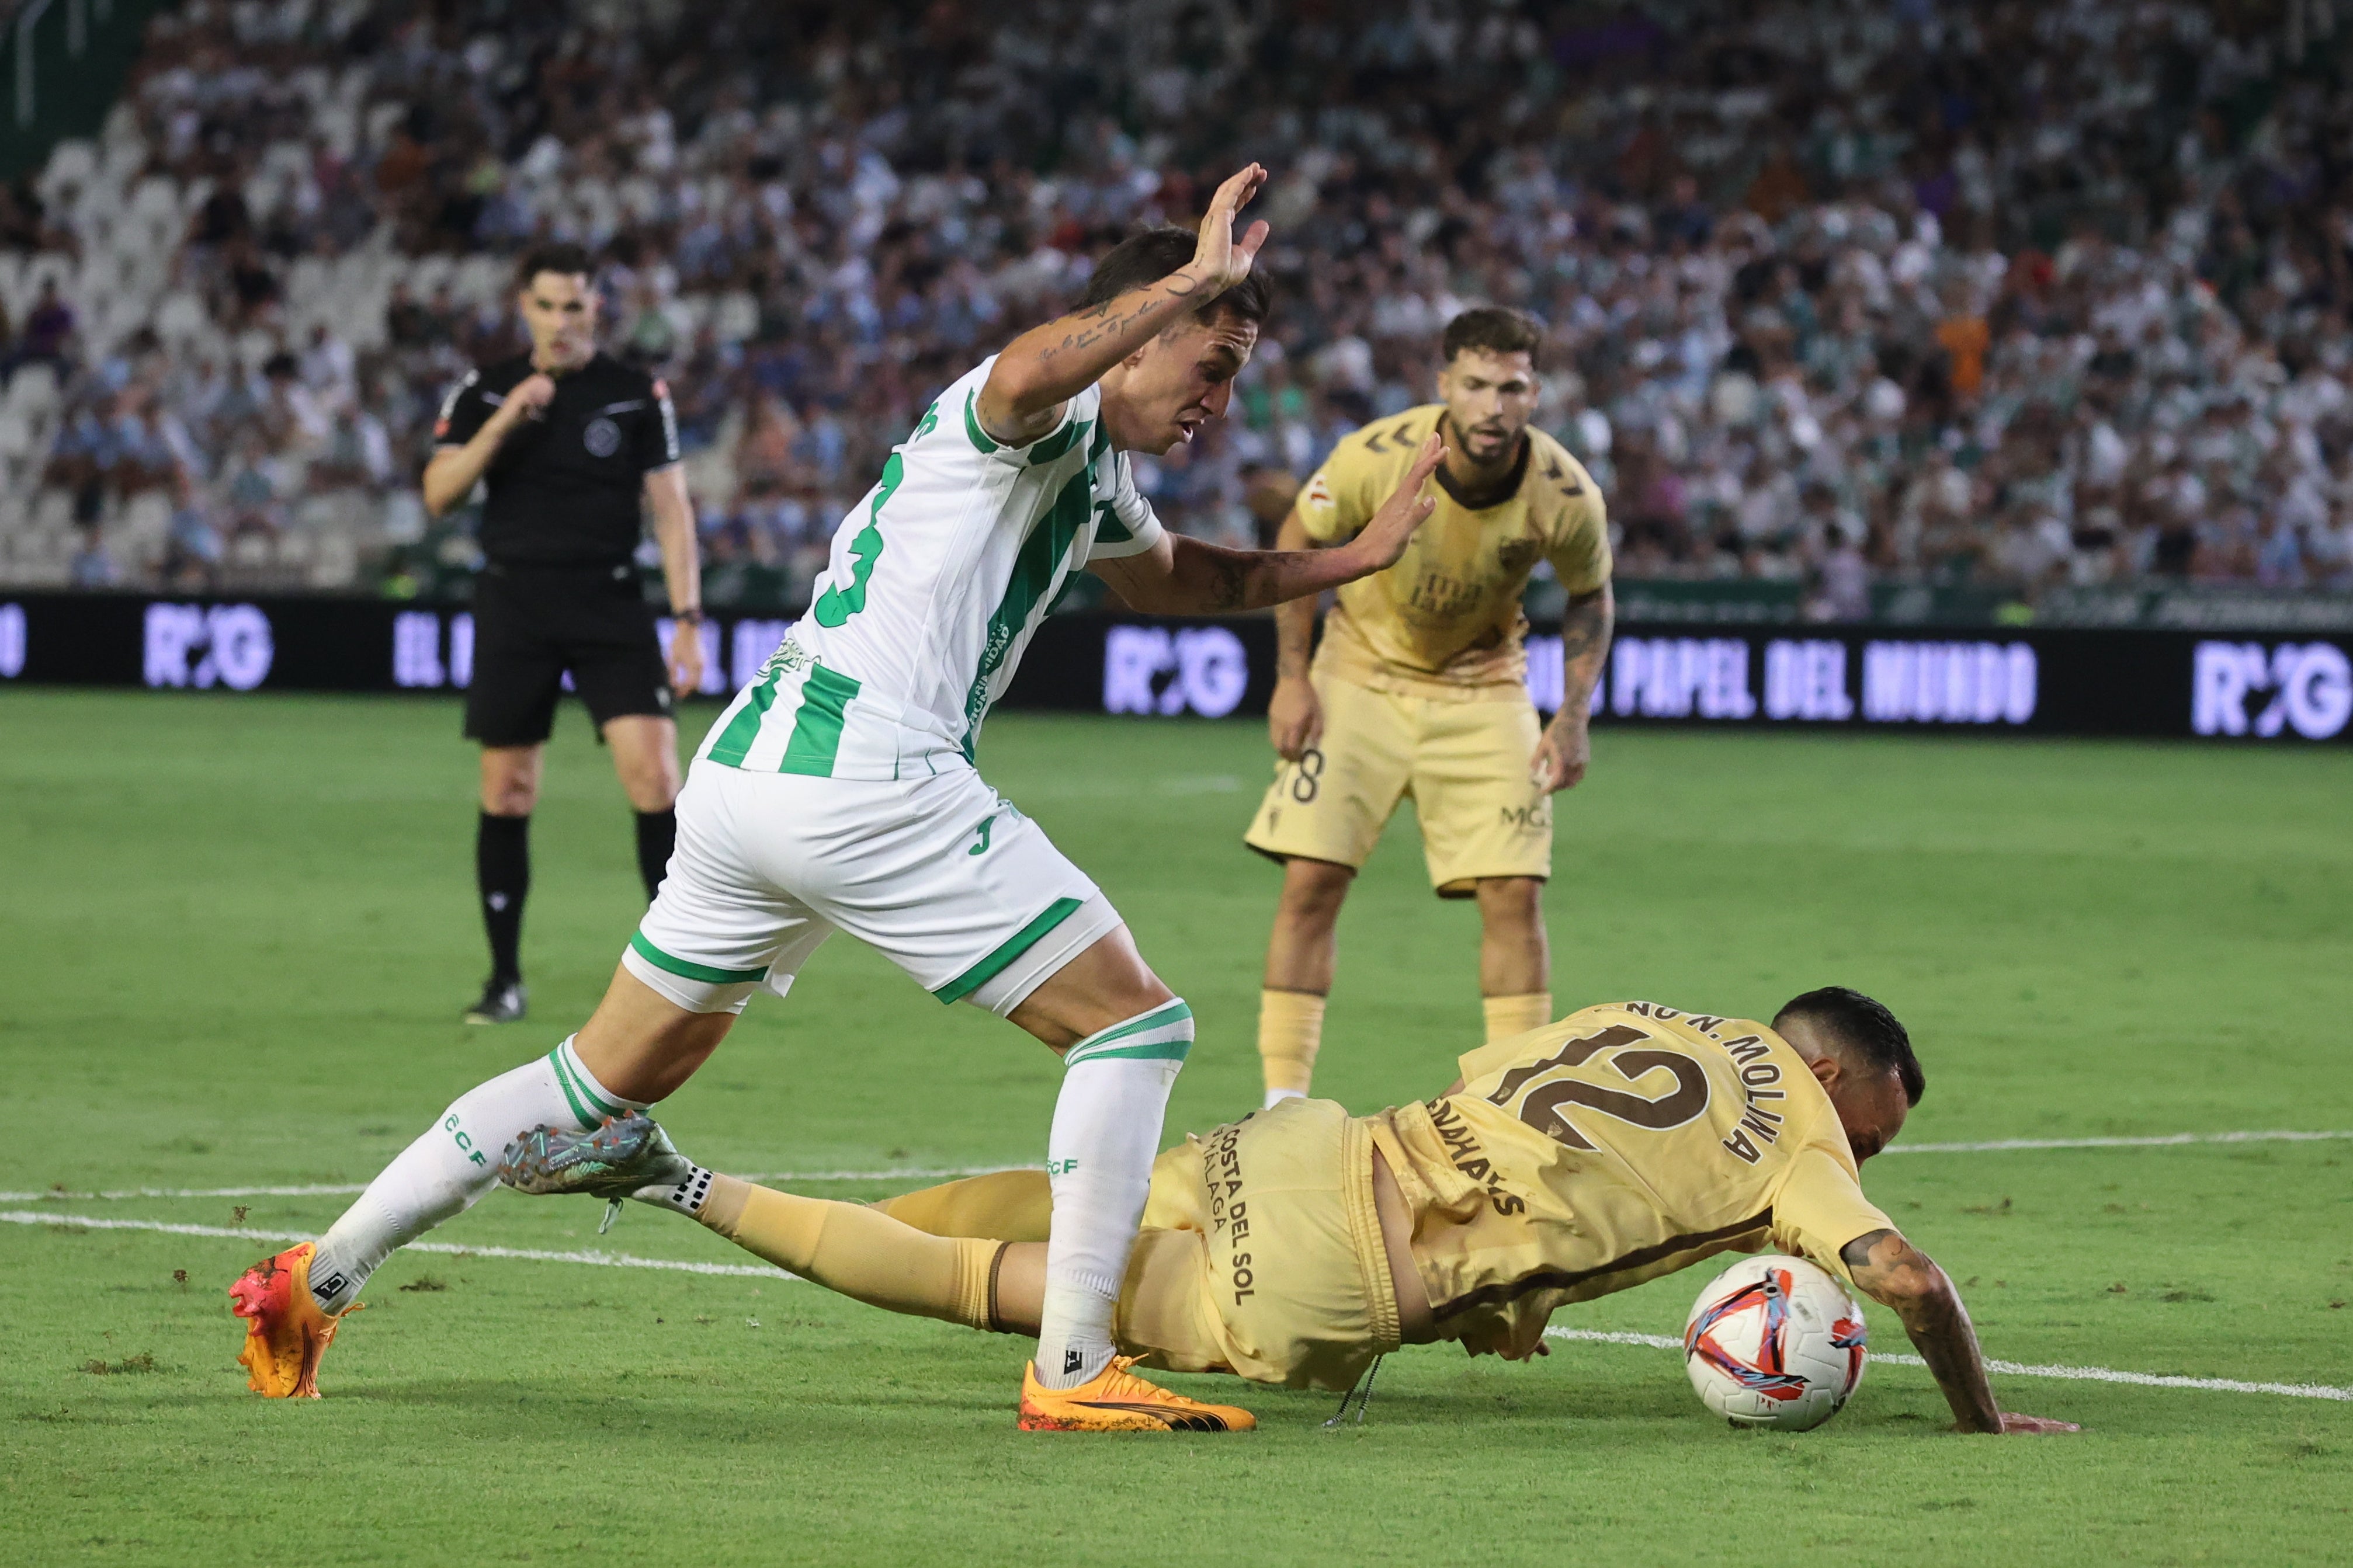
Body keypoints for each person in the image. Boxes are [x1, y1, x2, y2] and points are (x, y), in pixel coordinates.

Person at [229, 166, 1449, 1431]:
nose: (1221, 396)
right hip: (868, 771)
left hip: (754, 771)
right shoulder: (1023, 408)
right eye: (1211, 355)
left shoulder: (1088, 467)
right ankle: (1074, 1363)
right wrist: (1193, 281)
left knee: (599, 1081)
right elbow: (1027, 371)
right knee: (1133, 1027)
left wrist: (1349, 558)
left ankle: (312, 1281)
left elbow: (1181, 578)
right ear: (1140, 321)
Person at [498, 988, 2077, 1437]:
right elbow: (1910, 1275)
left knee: (1053, 1197)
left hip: (1310, 1143)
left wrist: (1517, 1281)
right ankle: (675, 1177)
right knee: (1011, 1283)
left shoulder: (1648, 1009)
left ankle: (654, 1152)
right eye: (1872, 1121)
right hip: (1332, 1282)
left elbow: (1527, 1111)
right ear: (1827, 1068)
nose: (1860, 1159)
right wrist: (1979, 1412)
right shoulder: (1800, 1146)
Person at [1244, 308, 1614, 1107]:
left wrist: (1573, 713)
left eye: (1511, 387)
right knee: (1311, 880)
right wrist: (1292, 676)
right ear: (1444, 384)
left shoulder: (1565, 491)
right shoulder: (1375, 458)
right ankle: (1283, 1105)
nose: (1492, 406)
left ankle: (1514, 1105)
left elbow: (1591, 596)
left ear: (1535, 393)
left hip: (1484, 688)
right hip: (1358, 674)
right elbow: (1296, 538)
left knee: (1515, 893)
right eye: (1475, 385)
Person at [422, 242, 706, 1026]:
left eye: (574, 306)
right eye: (546, 306)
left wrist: (687, 620)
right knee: (508, 788)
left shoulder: (634, 393)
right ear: (525, 308)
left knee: (654, 777)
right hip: (517, 603)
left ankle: (680, 980)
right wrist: (508, 419)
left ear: (596, 310)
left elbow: (673, 509)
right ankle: (503, 978)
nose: (560, 321)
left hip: (610, 601)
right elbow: (439, 493)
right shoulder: (487, 388)